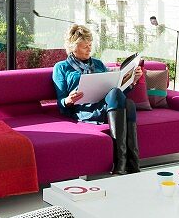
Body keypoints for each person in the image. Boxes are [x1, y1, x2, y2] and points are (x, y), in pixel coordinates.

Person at [52, 23, 143, 175]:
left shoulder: (99, 64)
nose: (89, 49)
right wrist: (69, 100)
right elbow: (61, 102)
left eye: (90, 45)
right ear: (73, 48)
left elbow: (118, 92)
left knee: (127, 102)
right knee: (128, 104)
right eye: (84, 46)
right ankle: (127, 163)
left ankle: (126, 164)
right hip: (84, 110)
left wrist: (132, 80)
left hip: (109, 108)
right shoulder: (61, 67)